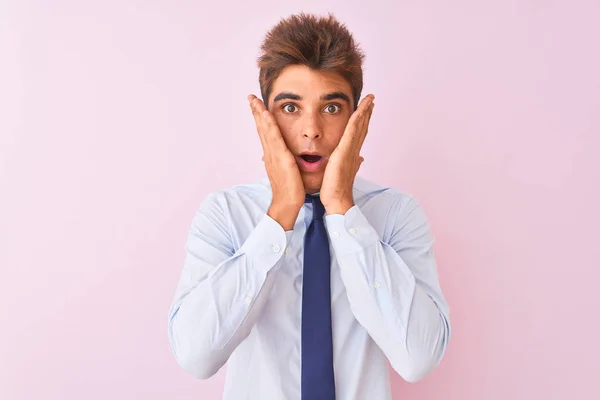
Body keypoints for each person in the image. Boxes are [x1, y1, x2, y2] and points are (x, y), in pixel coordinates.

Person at [167, 12, 451, 400]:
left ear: (356, 120)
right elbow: (196, 357)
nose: (311, 129)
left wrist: (342, 209)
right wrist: (281, 211)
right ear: (265, 118)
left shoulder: (396, 215)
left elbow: (418, 359)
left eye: (331, 108)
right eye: (290, 108)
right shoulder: (225, 214)